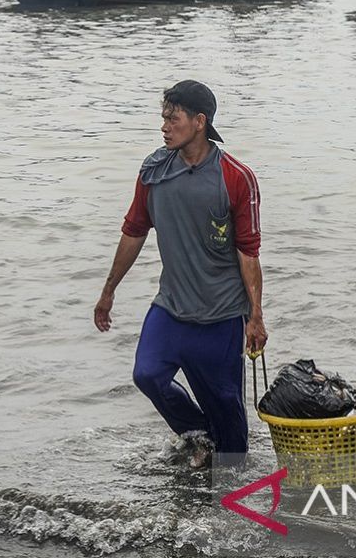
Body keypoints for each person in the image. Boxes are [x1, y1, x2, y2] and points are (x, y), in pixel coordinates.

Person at [94, 80, 266, 468]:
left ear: (200, 122)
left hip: (221, 316)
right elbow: (134, 231)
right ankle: (196, 433)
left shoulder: (236, 177)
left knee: (232, 439)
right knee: (148, 374)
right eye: (163, 118)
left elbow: (248, 252)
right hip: (171, 307)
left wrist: (255, 316)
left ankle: (233, 496)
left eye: (173, 118)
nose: (164, 126)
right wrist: (108, 291)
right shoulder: (154, 170)